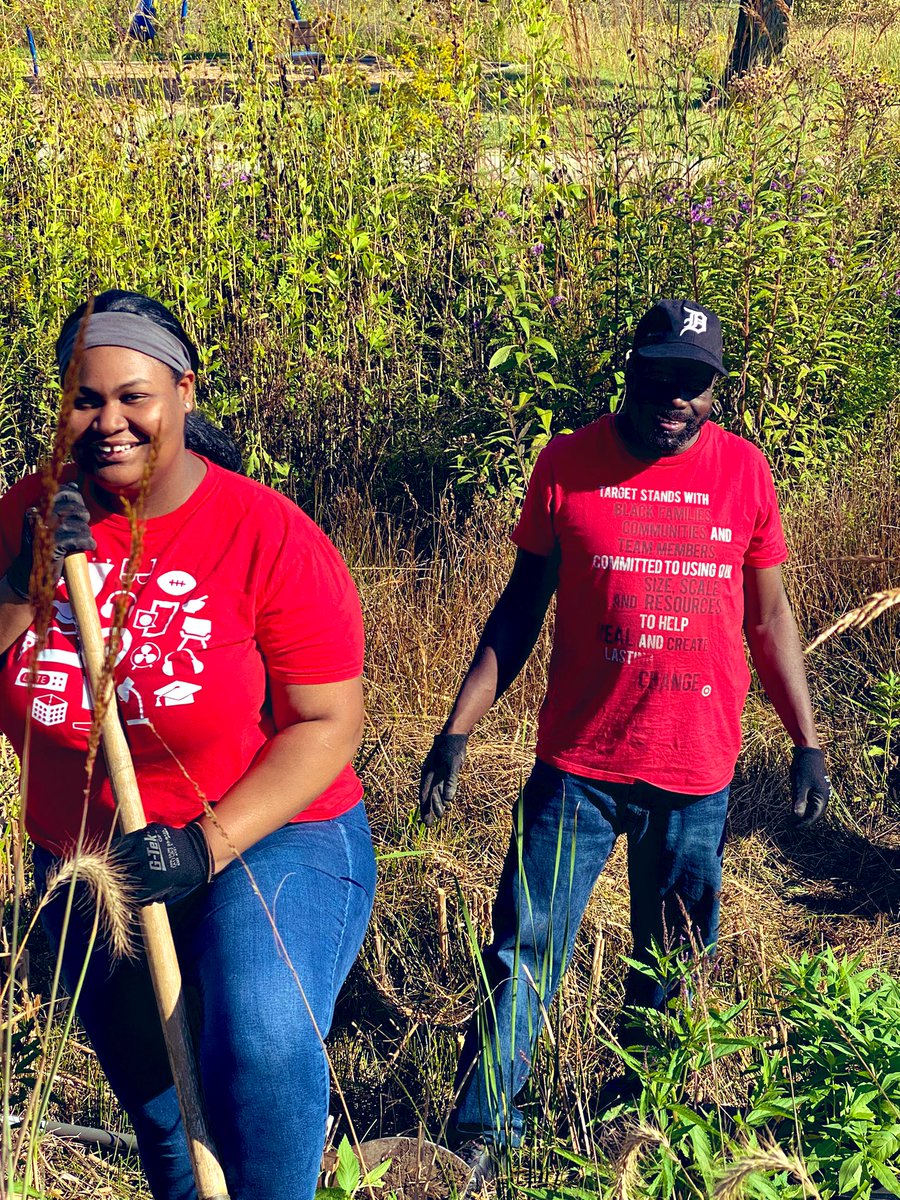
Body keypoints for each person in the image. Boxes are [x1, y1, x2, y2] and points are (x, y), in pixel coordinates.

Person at [418, 298, 830, 1165]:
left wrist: (807, 738)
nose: (675, 397)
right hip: (577, 772)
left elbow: (771, 616)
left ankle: (635, 1128)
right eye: (659, 378)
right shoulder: (567, 463)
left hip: (696, 774)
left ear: (715, 391)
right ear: (629, 373)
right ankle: (482, 1135)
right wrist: (457, 730)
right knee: (523, 953)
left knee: (674, 969)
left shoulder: (746, 472)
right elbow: (520, 607)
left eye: (695, 383)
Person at [0, 290, 375, 1200]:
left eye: (135, 395)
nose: (109, 421)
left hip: (265, 832)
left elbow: (329, 723)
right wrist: (27, 572)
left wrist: (200, 846)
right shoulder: (24, 515)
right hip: (92, 859)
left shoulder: (267, 534)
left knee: (257, 1032)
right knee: (167, 1119)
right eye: (85, 400)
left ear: (184, 391)